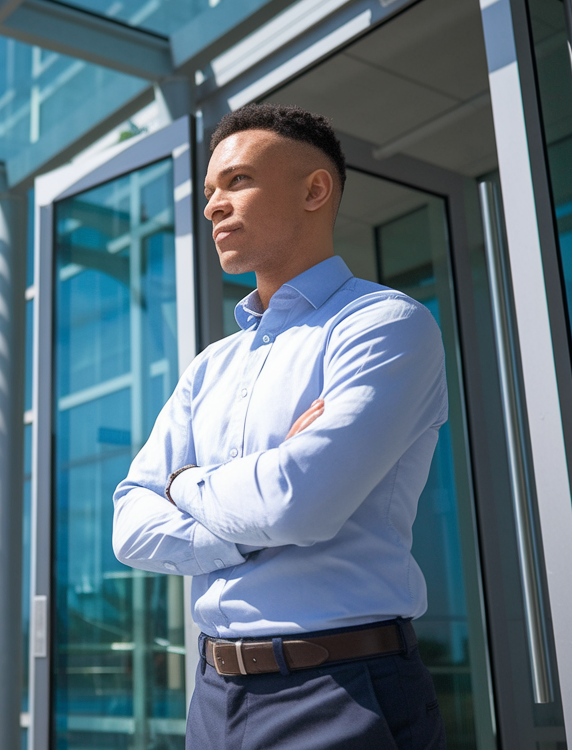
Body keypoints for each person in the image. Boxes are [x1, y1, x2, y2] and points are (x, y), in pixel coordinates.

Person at [112, 103, 448, 749]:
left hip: (346, 693)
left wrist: (183, 484)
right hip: (212, 696)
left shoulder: (383, 325)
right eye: (210, 191)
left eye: (236, 182)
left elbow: (297, 502)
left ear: (315, 190)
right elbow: (130, 524)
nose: (212, 206)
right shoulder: (210, 367)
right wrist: (250, 520)